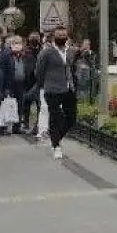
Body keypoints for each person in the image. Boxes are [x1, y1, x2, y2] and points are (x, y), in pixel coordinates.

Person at [35, 25, 78, 160]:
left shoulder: (70, 51)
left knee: (71, 117)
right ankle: (56, 146)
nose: (61, 38)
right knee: (55, 116)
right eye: (59, 36)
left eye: (64, 35)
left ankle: (56, 136)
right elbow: (39, 71)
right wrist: (43, 85)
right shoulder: (46, 52)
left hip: (68, 88)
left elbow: (71, 67)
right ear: (54, 37)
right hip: (52, 89)